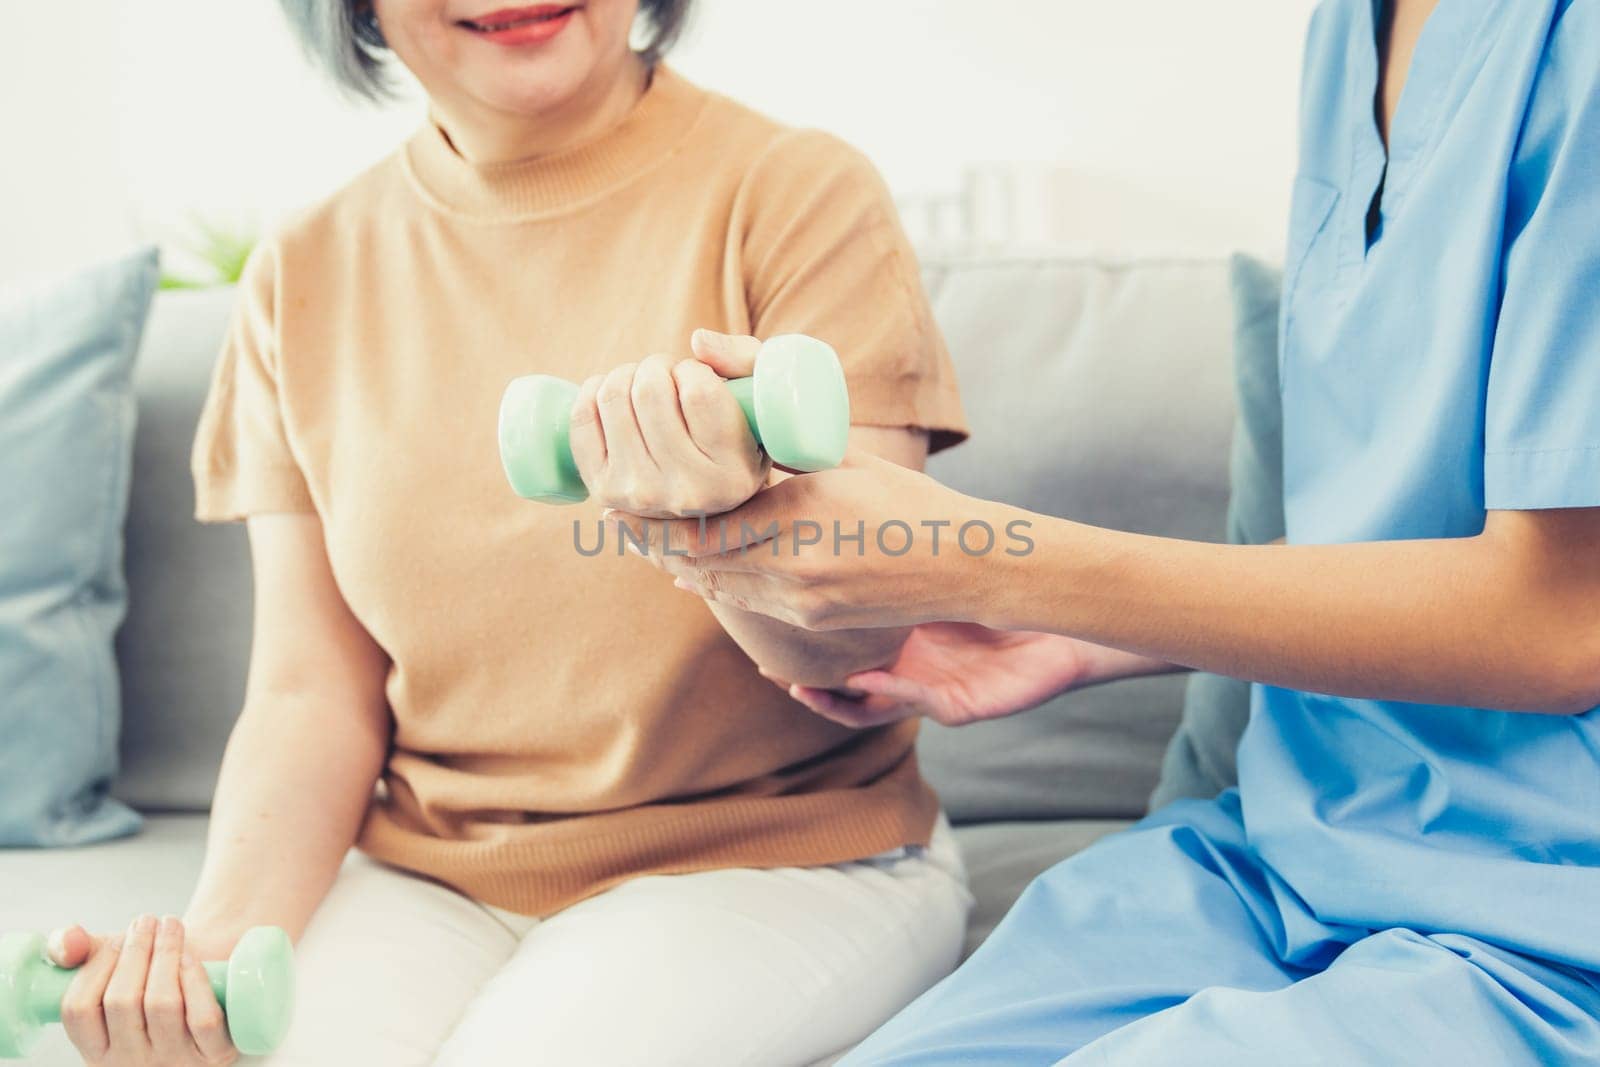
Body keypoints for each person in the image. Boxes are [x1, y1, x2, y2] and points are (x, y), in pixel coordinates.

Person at [628, 0, 1600, 1061]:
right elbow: (1416, 534)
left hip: (1539, 915)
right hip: (1271, 857)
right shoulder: (1345, 31)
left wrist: (995, 562)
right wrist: (1095, 635)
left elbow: (1561, 617)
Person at [44, 1, 973, 1064]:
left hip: (785, 859)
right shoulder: (299, 273)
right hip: (431, 876)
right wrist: (209, 949)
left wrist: (716, 521)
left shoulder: (798, 191)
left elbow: (862, 633)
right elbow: (309, 692)